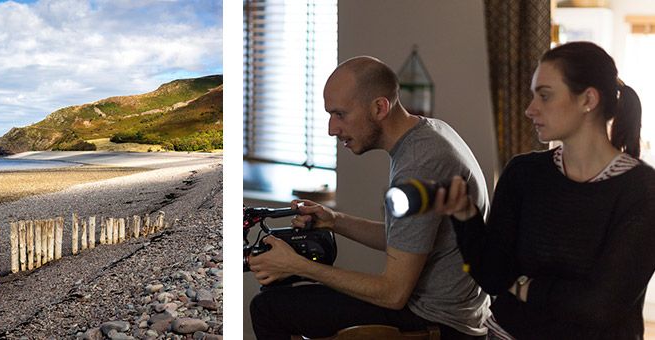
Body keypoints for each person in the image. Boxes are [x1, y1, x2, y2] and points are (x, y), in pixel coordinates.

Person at [247, 56, 491, 340]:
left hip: (441, 322)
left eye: (340, 115)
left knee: (268, 308)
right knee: (289, 293)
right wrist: (334, 221)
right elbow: (406, 239)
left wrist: (297, 265)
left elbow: (392, 294)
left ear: (379, 107)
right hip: (457, 312)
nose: (331, 129)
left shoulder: (418, 165)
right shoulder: (429, 134)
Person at [434, 41, 655, 339]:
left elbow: (600, 307)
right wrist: (465, 219)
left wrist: (520, 284)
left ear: (587, 99)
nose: (529, 109)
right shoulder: (523, 173)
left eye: (545, 96)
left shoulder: (642, 189)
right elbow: (491, 276)